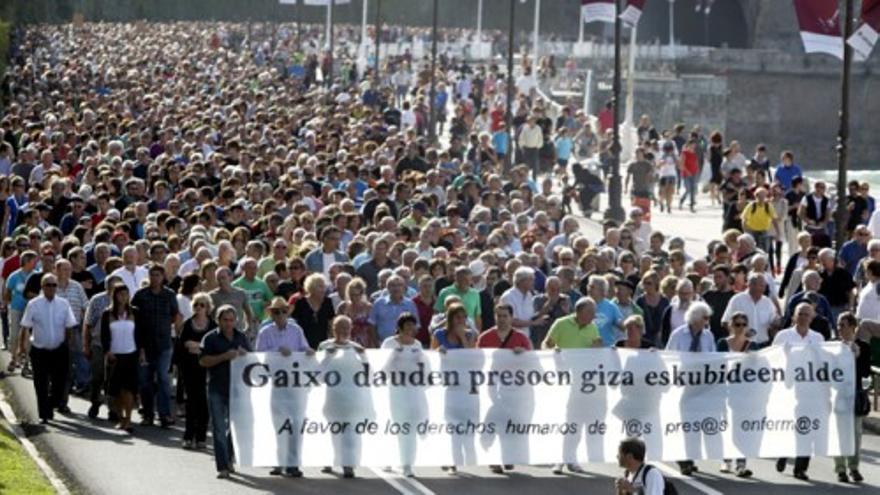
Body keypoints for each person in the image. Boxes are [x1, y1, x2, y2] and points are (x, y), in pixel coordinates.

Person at [256, 297, 313, 477]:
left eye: (283, 311)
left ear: (288, 312)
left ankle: (293, 464)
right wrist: (277, 352)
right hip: (276, 383)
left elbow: (304, 348)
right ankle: (278, 462)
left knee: (296, 424)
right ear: (271, 313)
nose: (280, 315)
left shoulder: (296, 330)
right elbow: (258, 356)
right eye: (276, 311)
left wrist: (308, 351)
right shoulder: (265, 332)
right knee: (278, 424)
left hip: (295, 382)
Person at [772, 302, 824, 480]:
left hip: (810, 389)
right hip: (788, 388)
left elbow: (822, 363)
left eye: (807, 315)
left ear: (812, 317)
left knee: (806, 427)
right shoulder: (783, 336)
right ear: (794, 316)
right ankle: (784, 452)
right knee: (789, 425)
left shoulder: (818, 338)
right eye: (800, 314)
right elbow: (772, 360)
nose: (803, 318)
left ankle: (801, 468)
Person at [199, 305, 251, 479]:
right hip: (216, 388)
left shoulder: (241, 337)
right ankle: (222, 466)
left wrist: (245, 355)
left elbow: (254, 361)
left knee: (234, 428)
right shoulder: (210, 338)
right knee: (219, 428)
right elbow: (203, 361)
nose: (229, 323)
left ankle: (229, 457)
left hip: (237, 389)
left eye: (231, 319)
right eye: (225, 320)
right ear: (218, 321)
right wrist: (224, 356)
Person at [665, 301, 715, 475]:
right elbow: (669, 356)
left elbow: (714, 358)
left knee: (696, 424)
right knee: (685, 423)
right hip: (682, 385)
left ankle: (690, 457)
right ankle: (683, 458)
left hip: (701, 386)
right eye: (705, 318)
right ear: (695, 318)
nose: (707, 321)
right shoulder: (678, 335)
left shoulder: (708, 336)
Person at [19, 274, 77, 423]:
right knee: (41, 384)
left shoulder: (64, 304)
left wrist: (68, 345)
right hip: (40, 350)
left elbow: (70, 325)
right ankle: (44, 414)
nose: (51, 288)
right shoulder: (33, 304)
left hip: (59, 350)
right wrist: (21, 348)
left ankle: (50, 405)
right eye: (48, 285)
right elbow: (25, 327)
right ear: (42, 287)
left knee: (60, 384)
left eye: (54, 285)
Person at [317, 315, 366, 479]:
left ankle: (348, 464)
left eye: (347, 328)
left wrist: (364, 357)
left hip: (352, 398)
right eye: (340, 328)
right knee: (333, 431)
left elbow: (369, 374)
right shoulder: (324, 346)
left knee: (350, 433)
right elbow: (317, 374)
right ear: (334, 329)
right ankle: (329, 459)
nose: (344, 331)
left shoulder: (357, 347)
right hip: (332, 398)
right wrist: (328, 356)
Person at [133, 264, 180, 427]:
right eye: (152, 275)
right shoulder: (140, 295)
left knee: (163, 379)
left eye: (158, 275)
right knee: (145, 381)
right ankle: (147, 414)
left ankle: (164, 414)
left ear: (163, 277)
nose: (155, 278)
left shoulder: (169, 295)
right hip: (144, 345)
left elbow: (175, 315)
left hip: (164, 344)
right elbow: (134, 319)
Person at [715, 311, 755, 478]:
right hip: (725, 390)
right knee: (726, 426)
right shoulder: (723, 343)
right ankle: (726, 460)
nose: (740, 328)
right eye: (737, 324)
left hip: (744, 393)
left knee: (741, 428)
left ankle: (741, 463)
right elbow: (716, 363)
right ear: (731, 325)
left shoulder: (752, 346)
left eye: (743, 325)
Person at [177, 292, 216, 450]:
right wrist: (197, 346)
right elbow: (183, 344)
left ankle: (201, 438)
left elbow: (212, 347)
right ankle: (188, 435)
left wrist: (197, 346)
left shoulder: (213, 325)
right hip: (189, 368)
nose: (199, 308)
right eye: (196, 305)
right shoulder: (188, 323)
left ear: (208, 307)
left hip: (206, 369)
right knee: (191, 402)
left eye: (202, 305)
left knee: (204, 403)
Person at [834, 311, 869, 483]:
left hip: (854, 394)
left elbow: (865, 372)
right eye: (839, 325)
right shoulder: (833, 346)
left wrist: (856, 357)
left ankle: (854, 467)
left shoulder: (862, 345)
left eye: (843, 325)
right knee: (839, 432)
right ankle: (840, 469)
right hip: (838, 395)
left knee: (855, 433)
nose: (840, 328)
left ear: (853, 327)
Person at [100, 283, 138, 432]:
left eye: (126, 294)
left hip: (131, 354)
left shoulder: (134, 312)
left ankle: (128, 419)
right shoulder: (107, 314)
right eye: (120, 294)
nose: (123, 297)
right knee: (115, 390)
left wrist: (141, 352)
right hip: (114, 356)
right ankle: (120, 418)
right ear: (114, 295)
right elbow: (104, 335)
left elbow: (140, 333)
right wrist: (107, 351)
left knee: (128, 389)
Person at [291, 273, 336, 350]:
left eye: (324, 286)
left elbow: (331, 325)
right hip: (304, 345)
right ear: (311, 288)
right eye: (320, 286)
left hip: (323, 344)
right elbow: (295, 325)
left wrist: (332, 343)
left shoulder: (328, 302)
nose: (323, 289)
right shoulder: (301, 303)